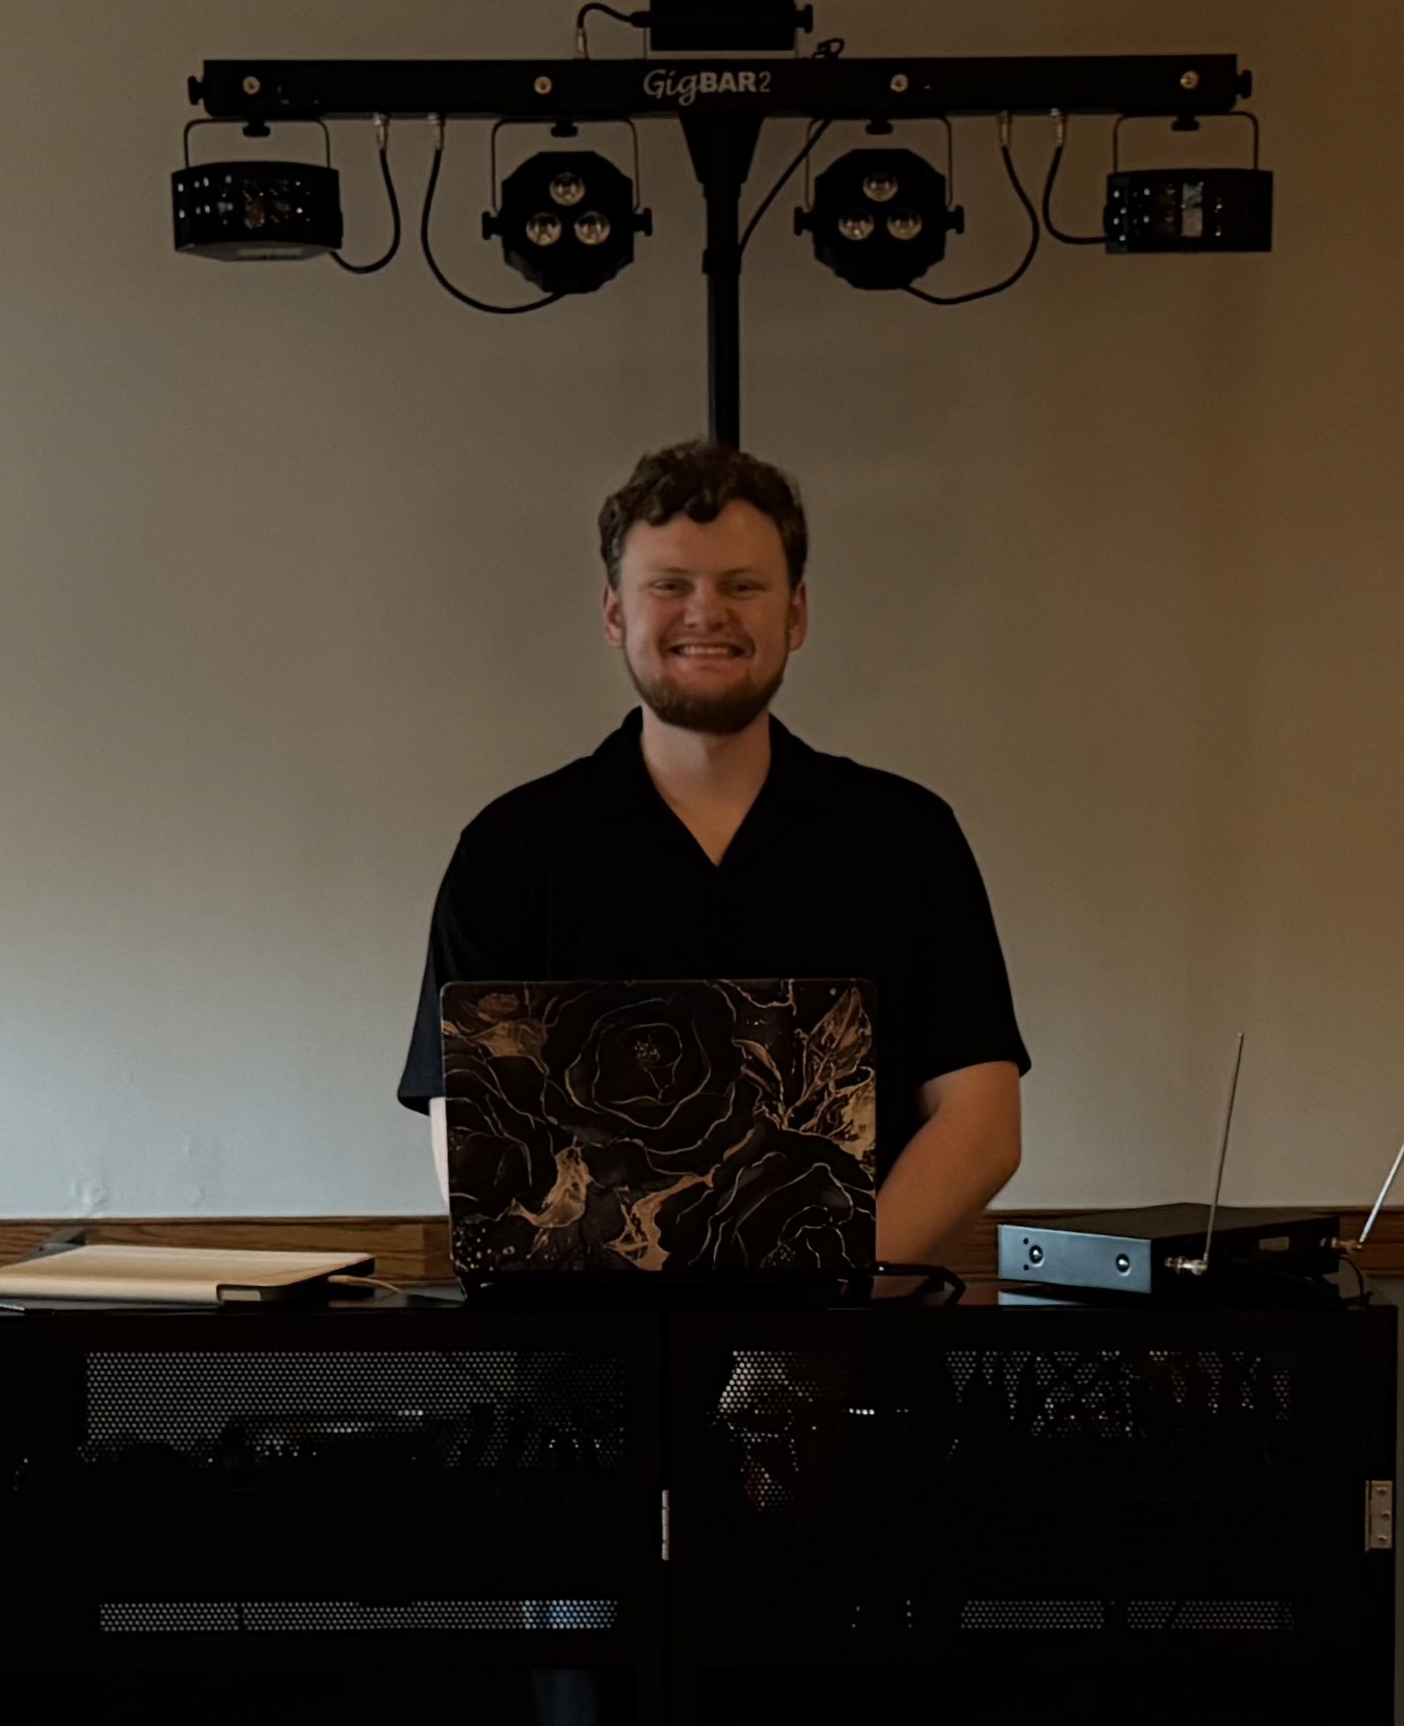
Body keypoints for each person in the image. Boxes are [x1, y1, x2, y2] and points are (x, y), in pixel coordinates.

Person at [399, 439, 1028, 1270]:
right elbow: (472, 1133)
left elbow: (981, 1122)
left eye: (742, 586)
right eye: (669, 586)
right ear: (615, 615)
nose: (706, 614)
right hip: (586, 1350)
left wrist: (832, 1300)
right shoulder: (509, 850)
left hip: (857, 1341)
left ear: (795, 615)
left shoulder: (907, 835)